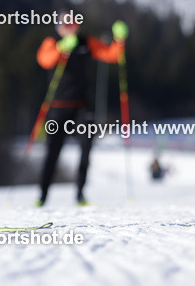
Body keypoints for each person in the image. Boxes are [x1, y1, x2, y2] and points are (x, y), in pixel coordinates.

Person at [35, 18, 128, 206]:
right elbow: (44, 60)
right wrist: (61, 48)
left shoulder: (87, 42)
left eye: (73, 25)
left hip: (81, 106)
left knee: (86, 148)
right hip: (57, 107)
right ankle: (43, 195)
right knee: (52, 152)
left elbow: (111, 55)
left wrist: (119, 40)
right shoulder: (51, 42)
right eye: (65, 25)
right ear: (59, 27)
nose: (70, 29)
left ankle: (80, 194)